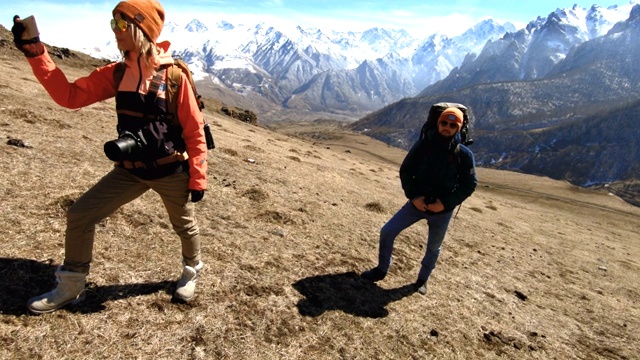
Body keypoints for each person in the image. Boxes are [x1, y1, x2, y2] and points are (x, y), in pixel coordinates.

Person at [12, 0, 208, 314]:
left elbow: (194, 130)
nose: (113, 30)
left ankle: (192, 269)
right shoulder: (117, 74)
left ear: (139, 28)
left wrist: (197, 177)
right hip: (130, 170)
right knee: (79, 214)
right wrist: (36, 52)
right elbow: (69, 96)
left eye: (119, 24)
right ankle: (71, 284)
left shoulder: (174, 77)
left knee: (184, 225)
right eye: (112, 23)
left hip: (170, 170)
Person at [361, 107, 477, 295]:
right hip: (416, 204)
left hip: (442, 211)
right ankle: (381, 269)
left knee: (433, 247)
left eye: (452, 125)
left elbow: (469, 184)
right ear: (438, 123)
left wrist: (445, 203)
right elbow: (406, 170)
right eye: (444, 123)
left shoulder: (464, 155)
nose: (447, 127)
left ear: (459, 128)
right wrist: (414, 197)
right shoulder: (423, 145)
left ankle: (422, 280)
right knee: (388, 231)